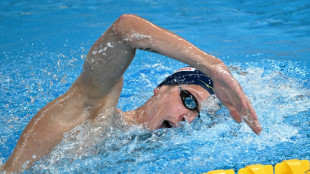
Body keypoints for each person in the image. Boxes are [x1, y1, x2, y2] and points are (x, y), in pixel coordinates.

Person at [2, 14, 262, 173]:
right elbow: (123, 30)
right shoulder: (96, 113)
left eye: (199, 115)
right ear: (160, 90)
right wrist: (211, 65)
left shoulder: (149, 149)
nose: (189, 118)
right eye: (189, 100)